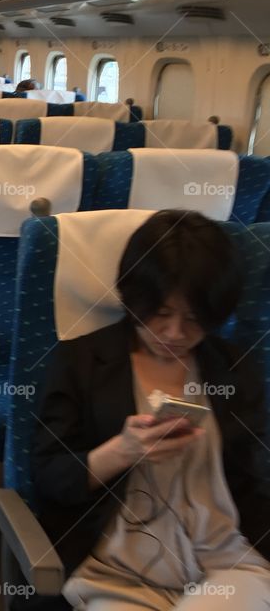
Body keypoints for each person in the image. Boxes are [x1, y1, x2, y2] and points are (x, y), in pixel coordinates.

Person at [34, 210, 270, 610]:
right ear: (134, 297)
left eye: (195, 319)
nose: (175, 334)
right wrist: (121, 451)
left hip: (223, 559)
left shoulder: (232, 368)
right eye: (160, 314)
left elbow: (255, 475)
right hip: (116, 566)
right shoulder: (82, 362)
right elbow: (48, 476)